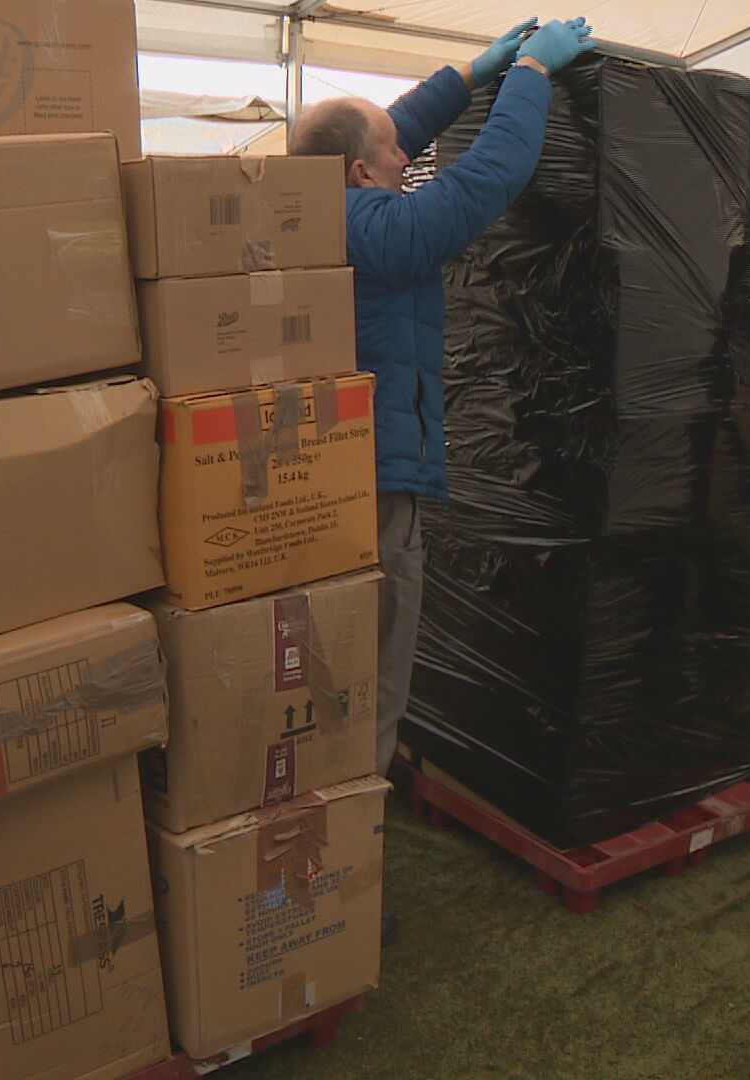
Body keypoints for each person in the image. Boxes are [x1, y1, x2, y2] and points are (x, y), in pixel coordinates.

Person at [290, 17, 598, 783]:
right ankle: (351, 840)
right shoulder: (380, 229)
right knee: (378, 664)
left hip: (338, 470)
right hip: (378, 482)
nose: (410, 156)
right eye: (397, 153)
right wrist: (526, 75)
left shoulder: (315, 205)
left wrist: (469, 74)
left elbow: (378, 135)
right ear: (363, 173)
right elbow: (483, 181)